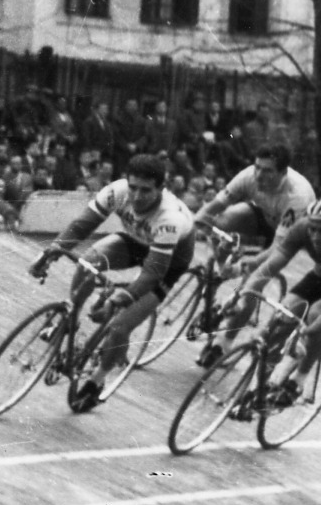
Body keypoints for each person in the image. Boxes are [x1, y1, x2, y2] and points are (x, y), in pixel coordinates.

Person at [29, 154, 196, 412]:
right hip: (136, 241)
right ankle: (70, 321)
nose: (137, 196)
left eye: (146, 190)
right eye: (133, 187)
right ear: (126, 181)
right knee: (88, 262)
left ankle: (97, 381)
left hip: (167, 263)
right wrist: (51, 252)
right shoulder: (117, 191)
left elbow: (152, 272)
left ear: (161, 189)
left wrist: (125, 297)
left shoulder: (170, 218)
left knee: (119, 326)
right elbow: (81, 226)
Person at [191, 144, 316, 367]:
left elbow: (278, 248)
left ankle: (223, 343)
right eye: (257, 167)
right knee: (223, 220)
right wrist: (197, 225)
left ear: (283, 172)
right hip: (262, 215)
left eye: (267, 171)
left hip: (286, 237)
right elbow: (213, 207)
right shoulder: (248, 175)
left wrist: (248, 266)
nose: (259, 175)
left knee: (252, 283)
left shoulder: (298, 195)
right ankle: (222, 271)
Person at [234, 196, 321, 406]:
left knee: (316, 316)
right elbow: (274, 262)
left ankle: (299, 379)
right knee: (281, 319)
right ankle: (259, 388)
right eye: (313, 229)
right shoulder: (302, 228)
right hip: (320, 276)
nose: (316, 236)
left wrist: (309, 331)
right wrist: (248, 289)